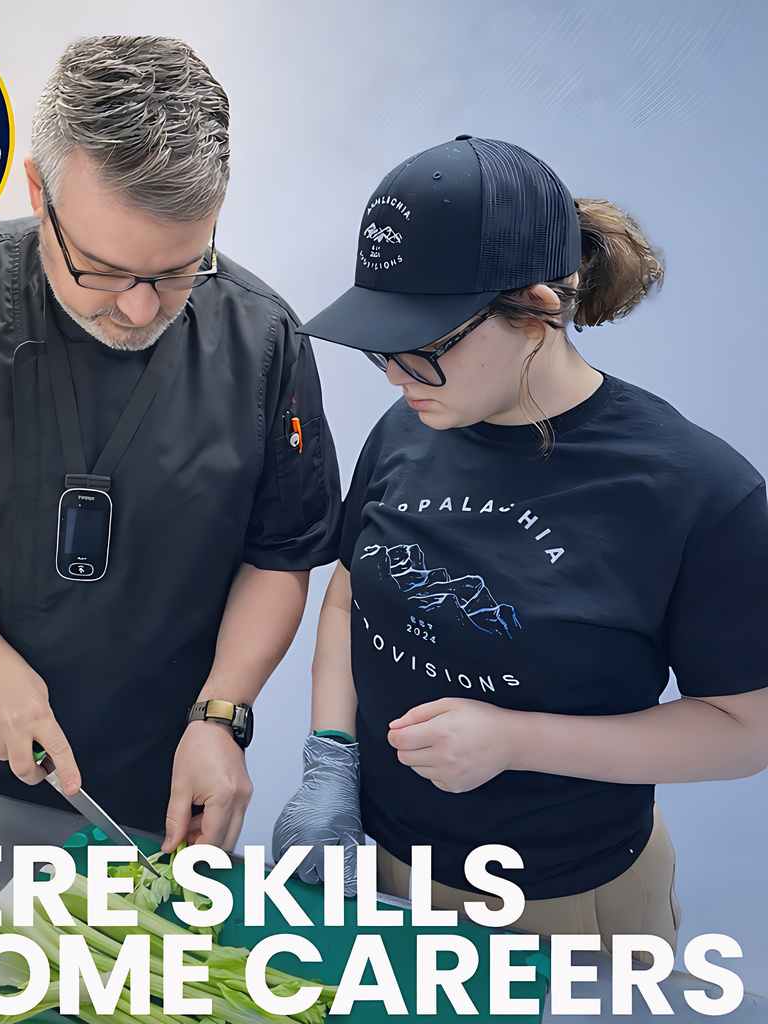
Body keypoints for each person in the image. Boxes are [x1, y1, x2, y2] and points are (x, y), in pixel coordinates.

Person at [0, 35, 341, 854]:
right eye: (102, 269)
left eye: (177, 273)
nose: (137, 309)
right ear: (36, 190)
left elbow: (279, 554)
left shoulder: (263, 338)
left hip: (172, 770)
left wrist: (223, 714)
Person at [273, 136, 768, 950]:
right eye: (380, 347)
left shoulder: (695, 490)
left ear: (535, 309)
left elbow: (745, 730)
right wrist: (330, 760)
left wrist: (517, 739)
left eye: (423, 348)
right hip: (390, 870)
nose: (396, 376)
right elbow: (350, 591)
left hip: (565, 903)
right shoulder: (412, 424)